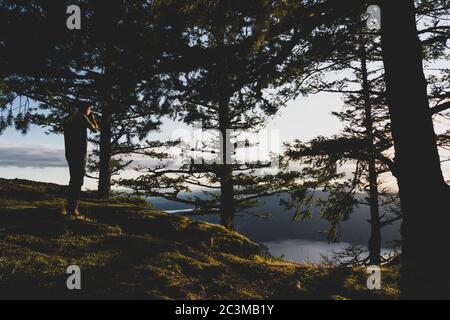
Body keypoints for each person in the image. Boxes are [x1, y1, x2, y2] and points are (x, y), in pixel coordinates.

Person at [63, 104, 99, 218]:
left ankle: (70, 207)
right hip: (79, 153)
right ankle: (72, 209)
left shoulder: (69, 118)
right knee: (78, 180)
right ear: (86, 109)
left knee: (74, 178)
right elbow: (95, 129)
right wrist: (92, 117)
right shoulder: (82, 117)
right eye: (90, 109)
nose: (91, 111)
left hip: (69, 152)